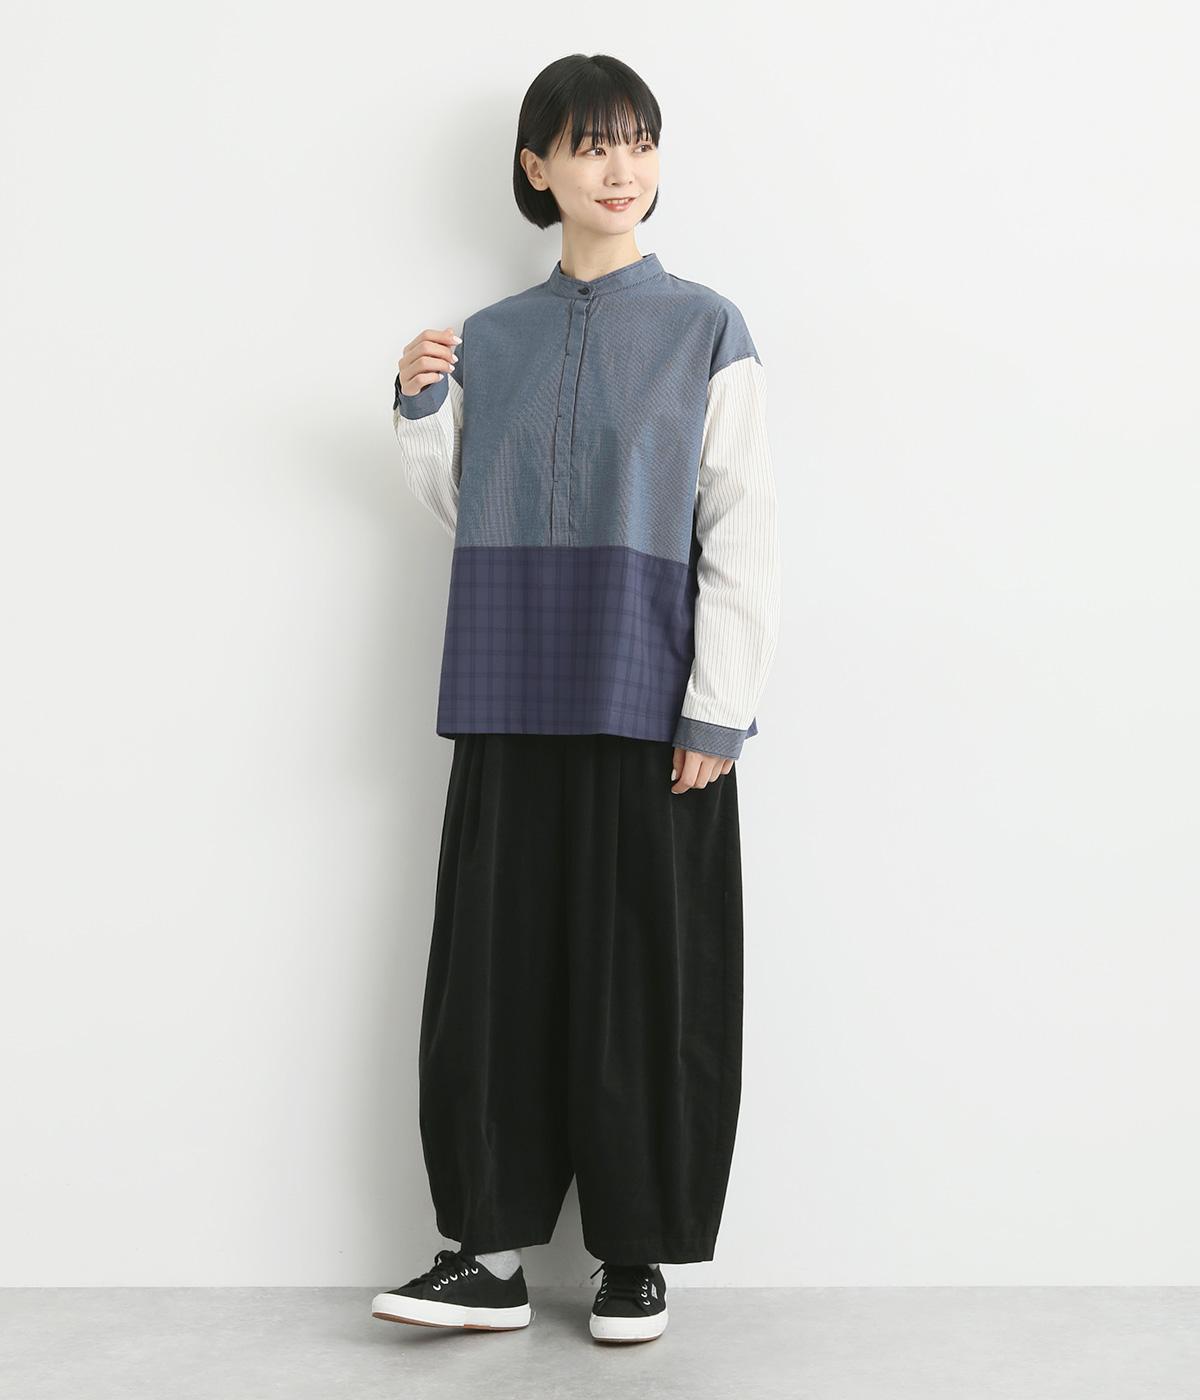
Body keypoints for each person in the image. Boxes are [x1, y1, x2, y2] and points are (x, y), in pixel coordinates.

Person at [371, 52, 780, 1346]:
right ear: (536, 166)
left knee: (646, 985)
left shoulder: (707, 329)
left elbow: (743, 526)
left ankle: (633, 1254)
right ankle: (484, 1256)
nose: (621, 168)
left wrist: (718, 708)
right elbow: (468, 506)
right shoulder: (491, 337)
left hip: (651, 713)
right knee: (493, 982)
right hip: (510, 694)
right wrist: (420, 408)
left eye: (639, 142)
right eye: (593, 143)